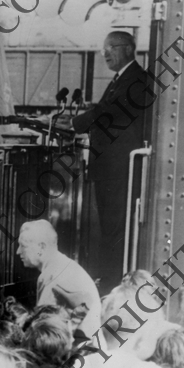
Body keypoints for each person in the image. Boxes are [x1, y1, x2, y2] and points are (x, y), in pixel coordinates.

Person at [72, 30, 152, 288]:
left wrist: (75, 123)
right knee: (109, 230)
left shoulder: (137, 78)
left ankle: (112, 285)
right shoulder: (121, 79)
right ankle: (109, 282)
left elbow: (106, 112)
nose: (105, 53)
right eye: (103, 48)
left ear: (129, 48)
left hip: (120, 170)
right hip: (110, 169)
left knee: (115, 231)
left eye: (111, 47)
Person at [16, 219, 101, 337]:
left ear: (41, 247)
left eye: (23, 246)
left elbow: (40, 330)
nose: (18, 251)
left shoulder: (53, 275)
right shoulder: (61, 266)